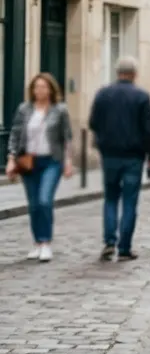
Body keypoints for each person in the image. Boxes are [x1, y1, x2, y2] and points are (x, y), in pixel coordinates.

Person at [88, 58, 150, 261]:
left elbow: (93, 122)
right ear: (135, 74)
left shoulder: (103, 94)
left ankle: (109, 241)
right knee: (129, 201)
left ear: (117, 72)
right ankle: (125, 247)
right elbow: (148, 129)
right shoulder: (141, 96)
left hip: (109, 155)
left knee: (110, 198)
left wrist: (104, 140)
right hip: (133, 157)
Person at [5, 73, 74, 261]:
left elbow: (66, 137)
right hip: (29, 162)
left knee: (45, 201)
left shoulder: (60, 110)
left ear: (51, 89)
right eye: (36, 87)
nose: (40, 90)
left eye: (43, 87)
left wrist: (68, 161)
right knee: (34, 205)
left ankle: (46, 243)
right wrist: (11, 159)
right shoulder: (24, 109)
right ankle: (37, 243)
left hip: (51, 161)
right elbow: (15, 134)